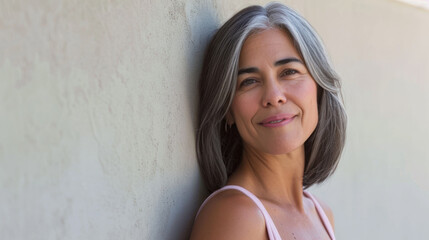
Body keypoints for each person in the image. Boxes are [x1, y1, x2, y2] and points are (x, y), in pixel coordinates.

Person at [190, 2, 346, 240]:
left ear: (319, 88)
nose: (274, 97)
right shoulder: (235, 215)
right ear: (228, 110)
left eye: (289, 72)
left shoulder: (322, 215)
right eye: (249, 82)